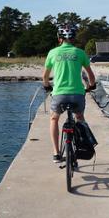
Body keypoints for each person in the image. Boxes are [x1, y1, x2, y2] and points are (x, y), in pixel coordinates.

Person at [42, 24, 96, 163]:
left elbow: (45, 76)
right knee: (79, 117)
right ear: (73, 38)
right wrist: (91, 86)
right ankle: (81, 146)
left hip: (59, 94)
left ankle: (56, 153)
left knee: (54, 119)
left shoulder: (53, 53)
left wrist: (47, 86)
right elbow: (90, 75)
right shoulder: (80, 52)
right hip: (77, 94)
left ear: (59, 38)